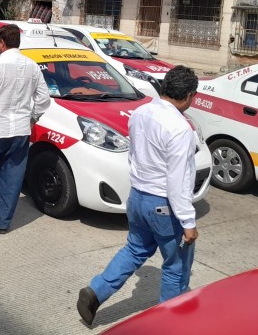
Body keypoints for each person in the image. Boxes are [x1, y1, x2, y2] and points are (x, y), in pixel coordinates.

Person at [77, 65, 199, 326]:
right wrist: (188, 222)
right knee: (176, 267)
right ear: (189, 96)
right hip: (164, 205)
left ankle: (96, 291)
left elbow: (136, 156)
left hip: (138, 197)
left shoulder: (140, 113)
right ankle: (168, 323)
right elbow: (177, 181)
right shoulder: (180, 128)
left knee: (134, 249)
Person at [0, 24, 50, 235]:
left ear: (2, 43)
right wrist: (32, 118)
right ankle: (3, 223)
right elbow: (43, 100)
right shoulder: (32, 66)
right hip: (20, 132)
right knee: (12, 177)